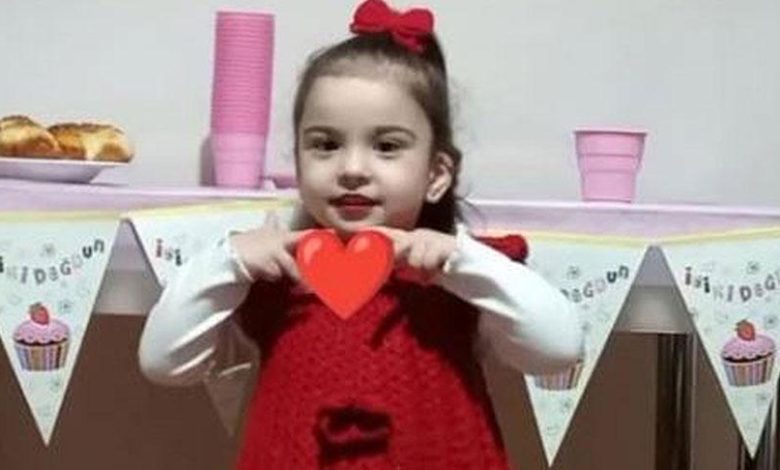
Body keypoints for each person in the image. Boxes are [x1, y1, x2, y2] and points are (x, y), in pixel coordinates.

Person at [138, 0, 583, 468]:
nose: (352, 168)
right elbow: (165, 363)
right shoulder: (273, 275)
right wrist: (227, 262)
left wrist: (461, 260)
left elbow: (558, 349)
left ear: (436, 174)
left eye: (386, 146)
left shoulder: (459, 277)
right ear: (298, 161)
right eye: (325, 145)